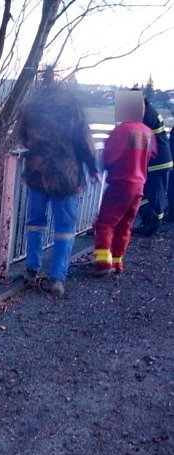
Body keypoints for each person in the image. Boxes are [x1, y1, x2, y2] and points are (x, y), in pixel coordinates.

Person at [16, 66, 101, 297]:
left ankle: (31, 269)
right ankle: (56, 278)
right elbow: (82, 139)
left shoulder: (31, 104)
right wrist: (92, 168)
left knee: (35, 223)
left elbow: (22, 135)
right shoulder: (71, 103)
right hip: (66, 175)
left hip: (37, 172)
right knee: (64, 228)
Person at [93, 90, 157, 276]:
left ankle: (103, 264)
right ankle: (117, 262)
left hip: (121, 183)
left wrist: (102, 166)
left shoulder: (123, 129)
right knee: (125, 224)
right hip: (139, 185)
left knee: (106, 221)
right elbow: (152, 155)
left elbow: (110, 155)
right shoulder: (147, 132)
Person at [133, 91, 173, 235]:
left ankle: (152, 222)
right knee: (155, 195)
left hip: (155, 162)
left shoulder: (145, 113)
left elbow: (135, 133)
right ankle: (152, 223)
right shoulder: (149, 110)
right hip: (161, 160)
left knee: (146, 193)